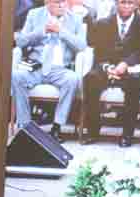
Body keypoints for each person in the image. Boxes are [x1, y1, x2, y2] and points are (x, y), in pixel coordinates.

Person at [12, 0, 87, 143]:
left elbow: (82, 46)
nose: (61, 5)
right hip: (36, 66)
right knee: (16, 76)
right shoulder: (34, 14)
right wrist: (41, 31)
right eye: (57, 2)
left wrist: (62, 32)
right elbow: (21, 41)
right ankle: (25, 126)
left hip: (60, 68)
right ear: (47, 2)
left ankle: (57, 127)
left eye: (64, 2)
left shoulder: (76, 19)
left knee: (72, 79)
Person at [82, 0, 140, 147]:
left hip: (129, 67)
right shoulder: (103, 24)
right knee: (90, 79)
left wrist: (125, 64)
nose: (126, 6)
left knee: (134, 82)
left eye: (130, 3)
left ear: (136, 6)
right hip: (107, 65)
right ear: (117, 4)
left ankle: (127, 135)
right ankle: (92, 132)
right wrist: (107, 67)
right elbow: (98, 50)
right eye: (123, 3)